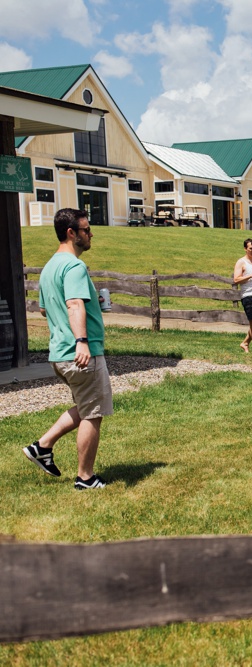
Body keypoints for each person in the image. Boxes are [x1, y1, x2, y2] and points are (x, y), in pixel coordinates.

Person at [23, 208, 111, 490]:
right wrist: (82, 341)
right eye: (86, 230)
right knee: (93, 413)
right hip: (80, 353)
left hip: (58, 354)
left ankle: (43, 446)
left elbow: (45, 309)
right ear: (71, 233)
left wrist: (92, 302)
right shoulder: (74, 267)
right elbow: (73, 304)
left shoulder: (50, 267)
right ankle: (85, 478)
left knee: (86, 404)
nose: (91, 234)